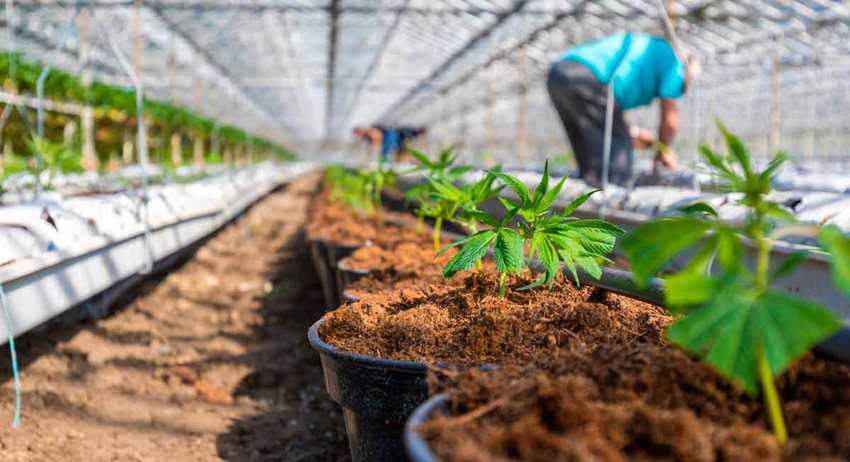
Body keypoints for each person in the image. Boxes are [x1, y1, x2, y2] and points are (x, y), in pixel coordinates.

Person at [547, 32, 688, 186]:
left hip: (558, 74)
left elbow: (611, 113)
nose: (683, 90)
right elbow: (670, 118)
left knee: (589, 156)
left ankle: (587, 202)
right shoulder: (673, 63)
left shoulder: (649, 52)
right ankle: (610, 202)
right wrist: (663, 151)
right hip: (588, 76)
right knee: (617, 162)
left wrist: (632, 133)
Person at [353, 125, 426, 163]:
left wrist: (377, 144)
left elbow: (378, 136)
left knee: (401, 153)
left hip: (391, 138)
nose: (360, 136)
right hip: (390, 143)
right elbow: (375, 145)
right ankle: (417, 161)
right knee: (400, 156)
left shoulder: (369, 131)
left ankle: (418, 132)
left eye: (359, 134)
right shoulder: (367, 137)